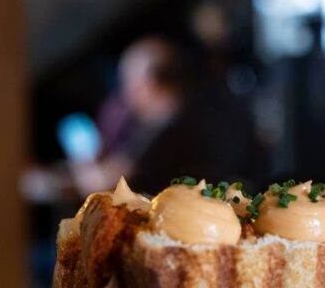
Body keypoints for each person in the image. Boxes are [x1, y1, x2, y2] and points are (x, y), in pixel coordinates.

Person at [70, 36, 255, 196]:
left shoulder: (170, 129)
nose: (125, 94)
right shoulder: (200, 109)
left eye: (129, 82)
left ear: (150, 83)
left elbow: (105, 183)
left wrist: (82, 163)